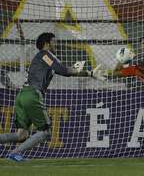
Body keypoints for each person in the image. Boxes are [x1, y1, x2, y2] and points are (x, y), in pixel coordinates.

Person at [0, 32, 104, 162]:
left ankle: (14, 153)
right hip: (32, 94)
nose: (56, 44)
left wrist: (89, 73)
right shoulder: (45, 55)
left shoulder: (44, 57)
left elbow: (66, 71)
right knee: (45, 132)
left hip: (22, 94)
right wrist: (80, 70)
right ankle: (14, 154)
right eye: (54, 41)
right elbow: (65, 71)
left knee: (21, 134)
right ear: (46, 44)